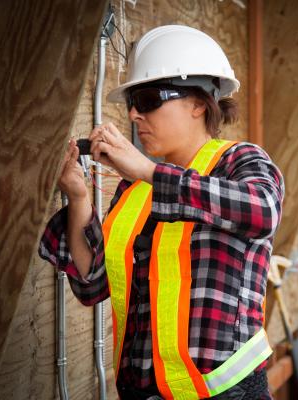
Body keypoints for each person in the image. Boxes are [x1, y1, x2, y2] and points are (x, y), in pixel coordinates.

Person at [39, 25, 284, 399]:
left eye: (150, 98)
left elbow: (263, 211)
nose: (135, 114)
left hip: (227, 393)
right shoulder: (134, 190)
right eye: (132, 103)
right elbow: (92, 284)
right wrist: (77, 198)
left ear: (199, 103)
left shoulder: (239, 160)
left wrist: (147, 170)